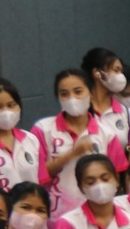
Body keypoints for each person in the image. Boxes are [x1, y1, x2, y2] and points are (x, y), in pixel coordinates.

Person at [36, 68, 124, 216]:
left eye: (78, 92)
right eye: (64, 94)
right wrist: (72, 154)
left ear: (91, 93)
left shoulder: (107, 134)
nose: (72, 99)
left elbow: (115, 176)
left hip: (95, 213)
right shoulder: (43, 129)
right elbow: (38, 174)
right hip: (56, 215)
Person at [0, 79, 42, 192]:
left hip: (29, 203)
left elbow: (41, 181)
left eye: (11, 105)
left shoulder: (31, 140)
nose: (6, 112)